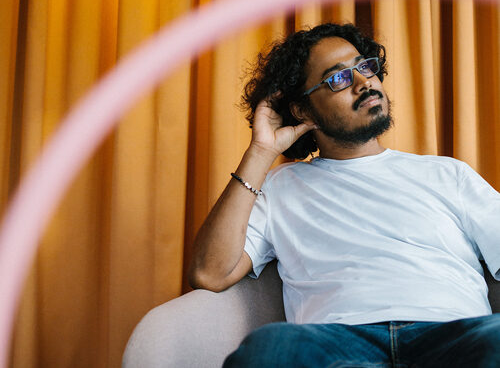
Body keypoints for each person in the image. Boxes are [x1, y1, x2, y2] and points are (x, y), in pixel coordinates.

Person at [188, 23, 500, 368]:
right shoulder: (279, 186)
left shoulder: (447, 174)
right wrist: (261, 151)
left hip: (453, 335)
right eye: (338, 78)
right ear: (303, 111)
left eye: (364, 66)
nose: (364, 82)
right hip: (338, 342)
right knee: (271, 347)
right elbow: (210, 273)